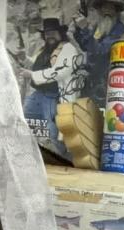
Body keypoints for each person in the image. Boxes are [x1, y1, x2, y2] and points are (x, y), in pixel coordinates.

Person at [21, 18, 84, 152]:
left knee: (55, 133)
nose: (50, 36)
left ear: (60, 33)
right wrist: (23, 58)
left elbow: (59, 72)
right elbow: (36, 65)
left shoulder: (68, 48)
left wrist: (32, 75)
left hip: (54, 97)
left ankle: (64, 159)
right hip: (38, 95)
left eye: (53, 32)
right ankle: (34, 150)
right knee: (24, 120)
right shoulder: (45, 50)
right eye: (47, 33)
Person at [72, 0, 124, 102]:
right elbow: (85, 46)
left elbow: (100, 52)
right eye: (104, 8)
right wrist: (79, 28)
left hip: (106, 85)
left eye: (111, 8)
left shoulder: (120, 31)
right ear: (99, 10)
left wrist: (85, 29)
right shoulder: (99, 27)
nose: (107, 11)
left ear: (116, 11)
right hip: (92, 83)